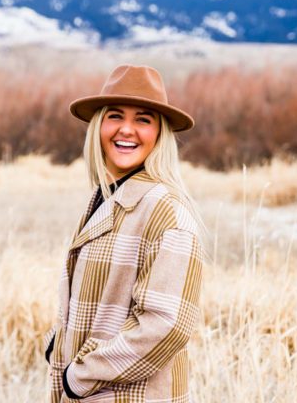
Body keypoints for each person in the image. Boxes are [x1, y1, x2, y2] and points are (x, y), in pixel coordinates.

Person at [42, 64, 206, 402]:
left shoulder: (165, 209)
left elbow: (167, 325)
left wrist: (82, 375)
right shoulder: (107, 196)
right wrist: (59, 343)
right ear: (99, 125)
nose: (126, 130)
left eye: (143, 120)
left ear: (160, 134)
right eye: (115, 116)